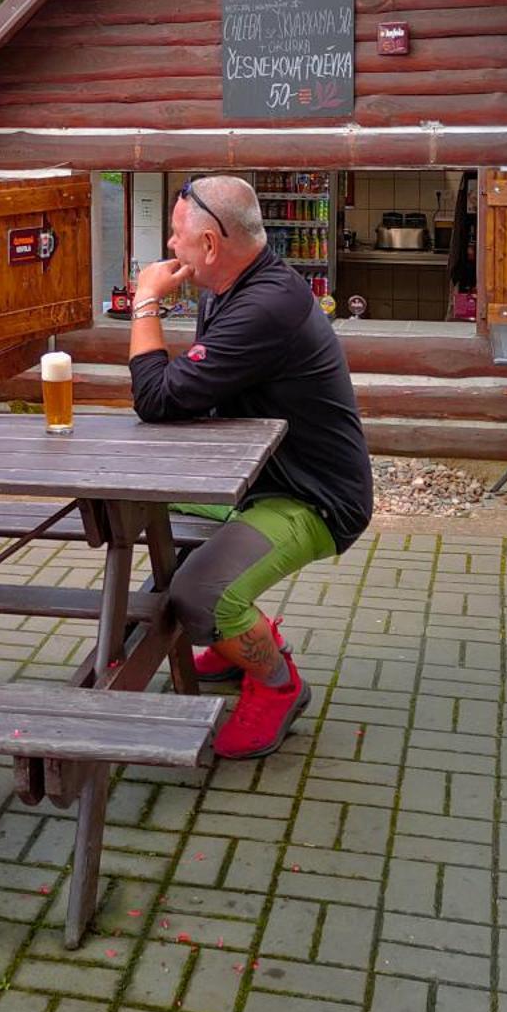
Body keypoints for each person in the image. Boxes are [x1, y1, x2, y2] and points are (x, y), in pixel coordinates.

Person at [128, 175, 373, 760]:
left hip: (312, 498)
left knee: (199, 594)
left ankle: (277, 682)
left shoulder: (266, 305)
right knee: (142, 508)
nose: (169, 246)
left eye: (177, 235)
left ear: (211, 245)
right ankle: (232, 635)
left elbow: (156, 399)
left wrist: (145, 300)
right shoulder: (229, 287)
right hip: (252, 477)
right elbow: (195, 394)